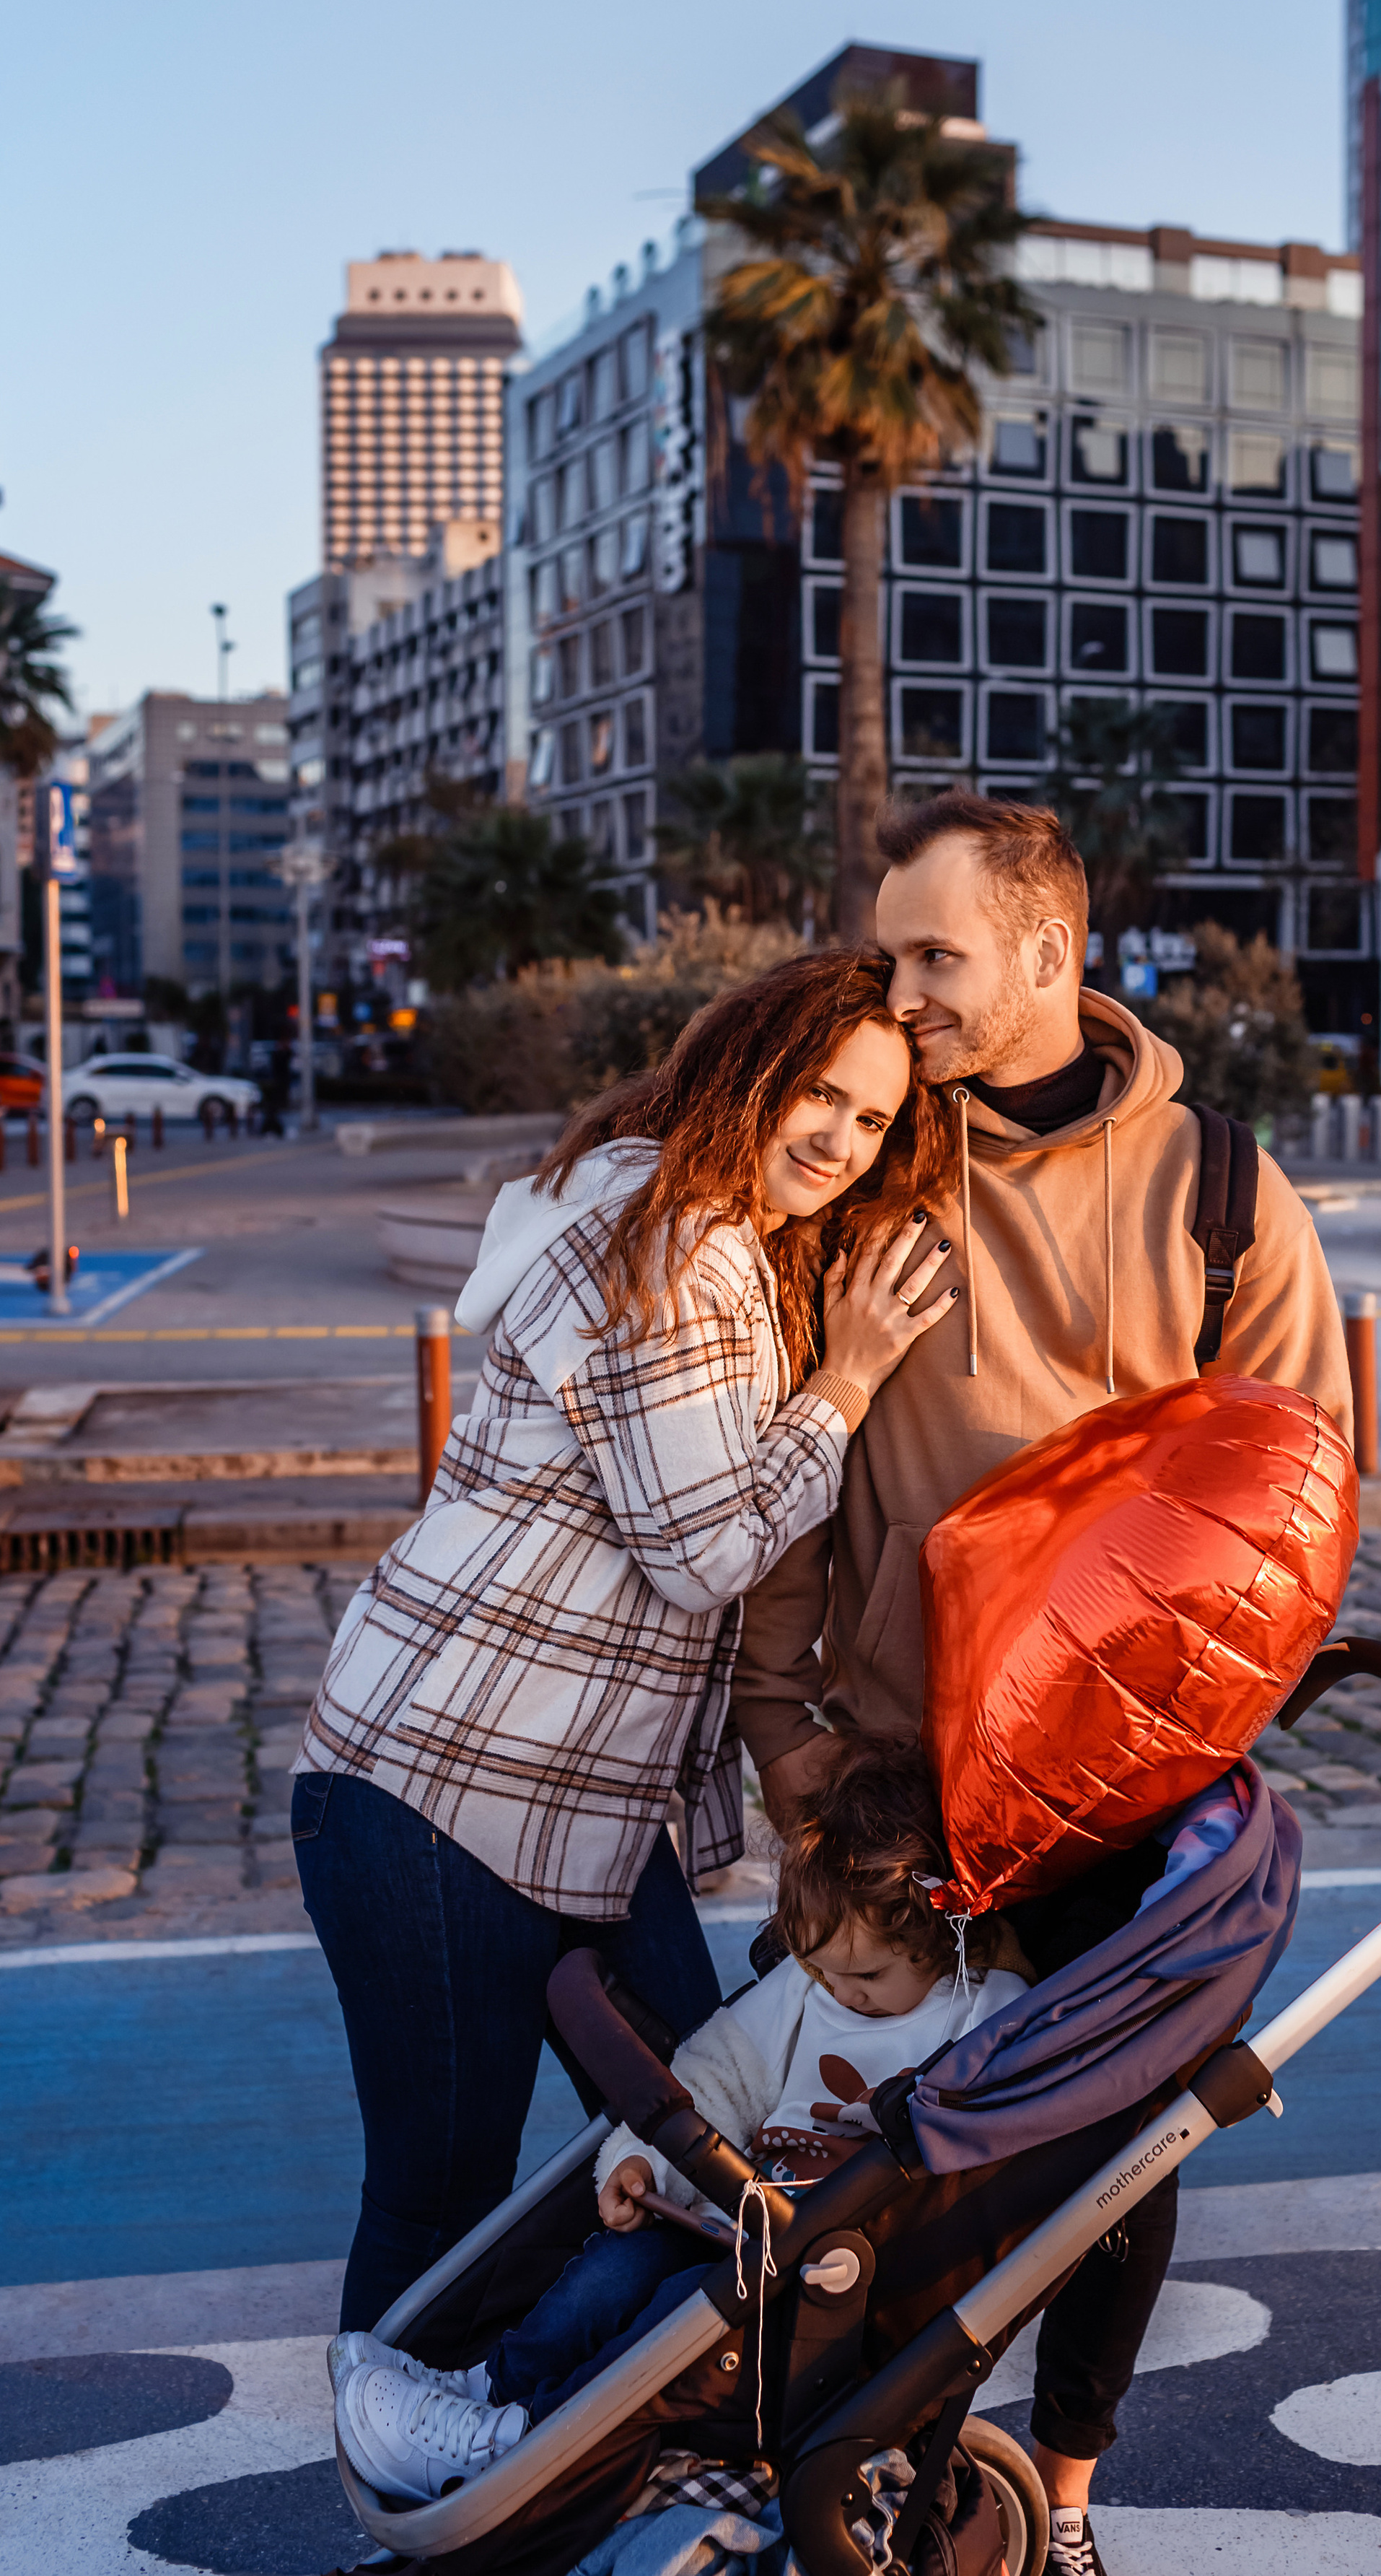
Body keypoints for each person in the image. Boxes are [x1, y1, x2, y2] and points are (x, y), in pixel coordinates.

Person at [732, 794, 1351, 2576]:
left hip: (1115, 1800)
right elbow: (801, 1459)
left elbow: (1301, 1484)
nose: (903, 988)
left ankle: (1058, 2505)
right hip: (889, 1774)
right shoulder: (874, 1158)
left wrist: (1184, 1726)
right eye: (891, 951)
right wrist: (782, 1724)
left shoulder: (1218, 1184)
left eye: (935, 954)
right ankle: (827, 2472)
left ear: (1049, 955)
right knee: (833, 2147)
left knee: (1112, 2171)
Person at [293, 950, 962, 2333]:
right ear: (749, 1073)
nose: (841, 1139)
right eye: (819, 1095)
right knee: (440, 2196)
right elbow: (706, 1548)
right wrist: (847, 1378)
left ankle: (600, 2442)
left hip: (580, 1816)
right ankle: (419, 2511)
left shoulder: (720, 1237)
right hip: (435, 1795)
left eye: (876, 1119)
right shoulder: (670, 1240)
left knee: (705, 2147)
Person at [328, 1743, 1027, 2504]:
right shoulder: (807, 1987)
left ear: (940, 1935)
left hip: (816, 2257)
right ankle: (491, 2383)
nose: (842, 1994)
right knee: (606, 2271)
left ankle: (526, 2436)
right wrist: (642, 2161)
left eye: (866, 1978)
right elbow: (716, 2073)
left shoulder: (980, 2010)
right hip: (728, 2208)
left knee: (670, 2321)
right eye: (825, 1972)